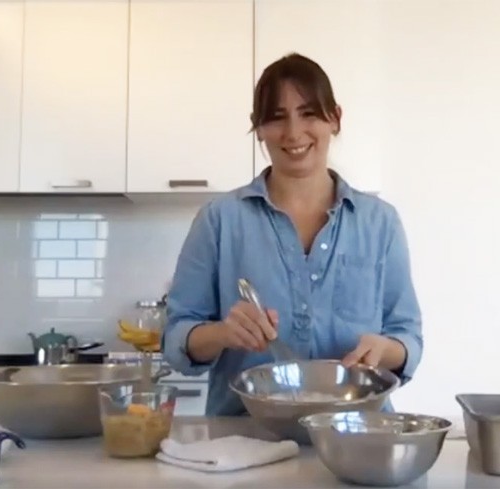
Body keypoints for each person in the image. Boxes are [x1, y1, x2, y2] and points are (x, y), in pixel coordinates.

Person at [161, 53, 422, 416]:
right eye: (277, 118)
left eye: (309, 114)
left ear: (335, 118)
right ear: (259, 128)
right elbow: (176, 339)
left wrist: (385, 349)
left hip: (359, 440)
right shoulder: (218, 220)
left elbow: (408, 337)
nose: (294, 133)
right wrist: (222, 333)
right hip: (247, 440)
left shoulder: (380, 223)